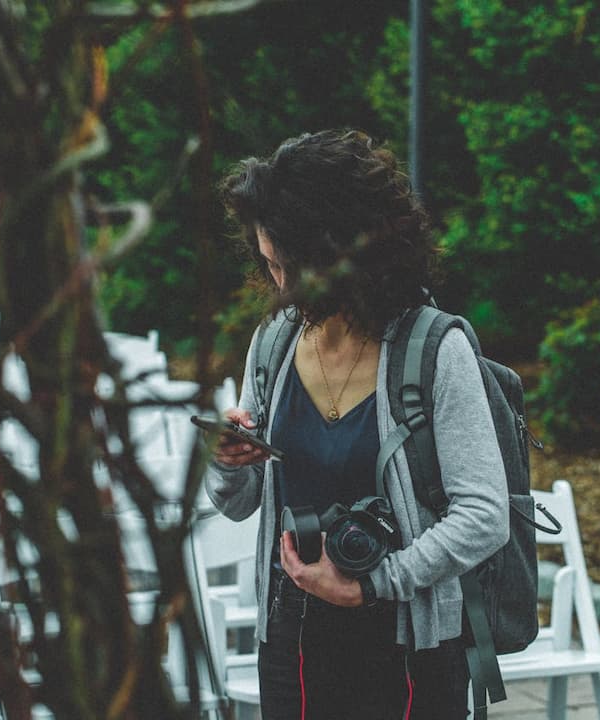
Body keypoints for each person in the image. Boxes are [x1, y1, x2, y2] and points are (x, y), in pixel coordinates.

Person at [205, 129, 510, 720]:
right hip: (290, 642)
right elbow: (239, 504)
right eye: (271, 266)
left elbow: (484, 515)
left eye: (293, 269)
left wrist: (373, 583)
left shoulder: (433, 350)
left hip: (408, 647)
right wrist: (227, 460)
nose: (281, 287)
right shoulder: (273, 343)